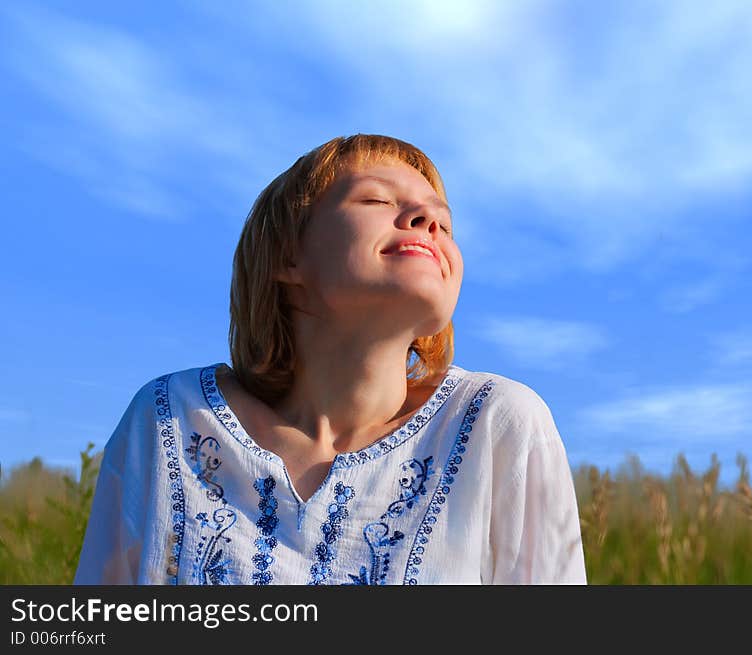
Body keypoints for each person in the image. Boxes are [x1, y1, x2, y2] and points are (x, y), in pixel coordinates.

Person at [73, 134, 588, 585]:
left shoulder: (497, 423)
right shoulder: (168, 418)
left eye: (444, 224)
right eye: (377, 199)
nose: (428, 220)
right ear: (287, 256)